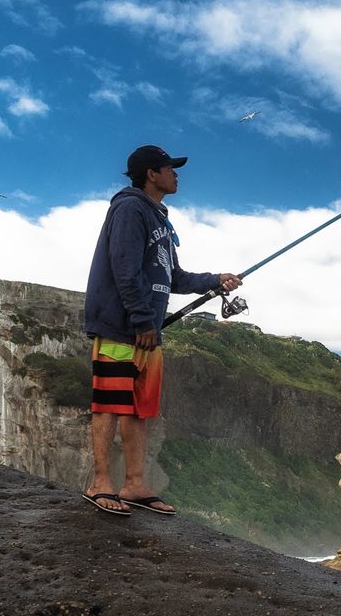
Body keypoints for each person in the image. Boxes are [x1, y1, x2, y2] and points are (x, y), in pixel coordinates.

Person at [82, 144, 241, 515]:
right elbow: (124, 266)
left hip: (147, 331)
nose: (176, 174)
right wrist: (140, 319)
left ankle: (134, 484)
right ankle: (101, 483)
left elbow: (175, 276)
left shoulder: (160, 221)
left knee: (140, 408)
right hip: (121, 327)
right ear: (152, 174)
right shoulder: (129, 208)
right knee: (109, 403)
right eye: (170, 168)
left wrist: (215, 280)